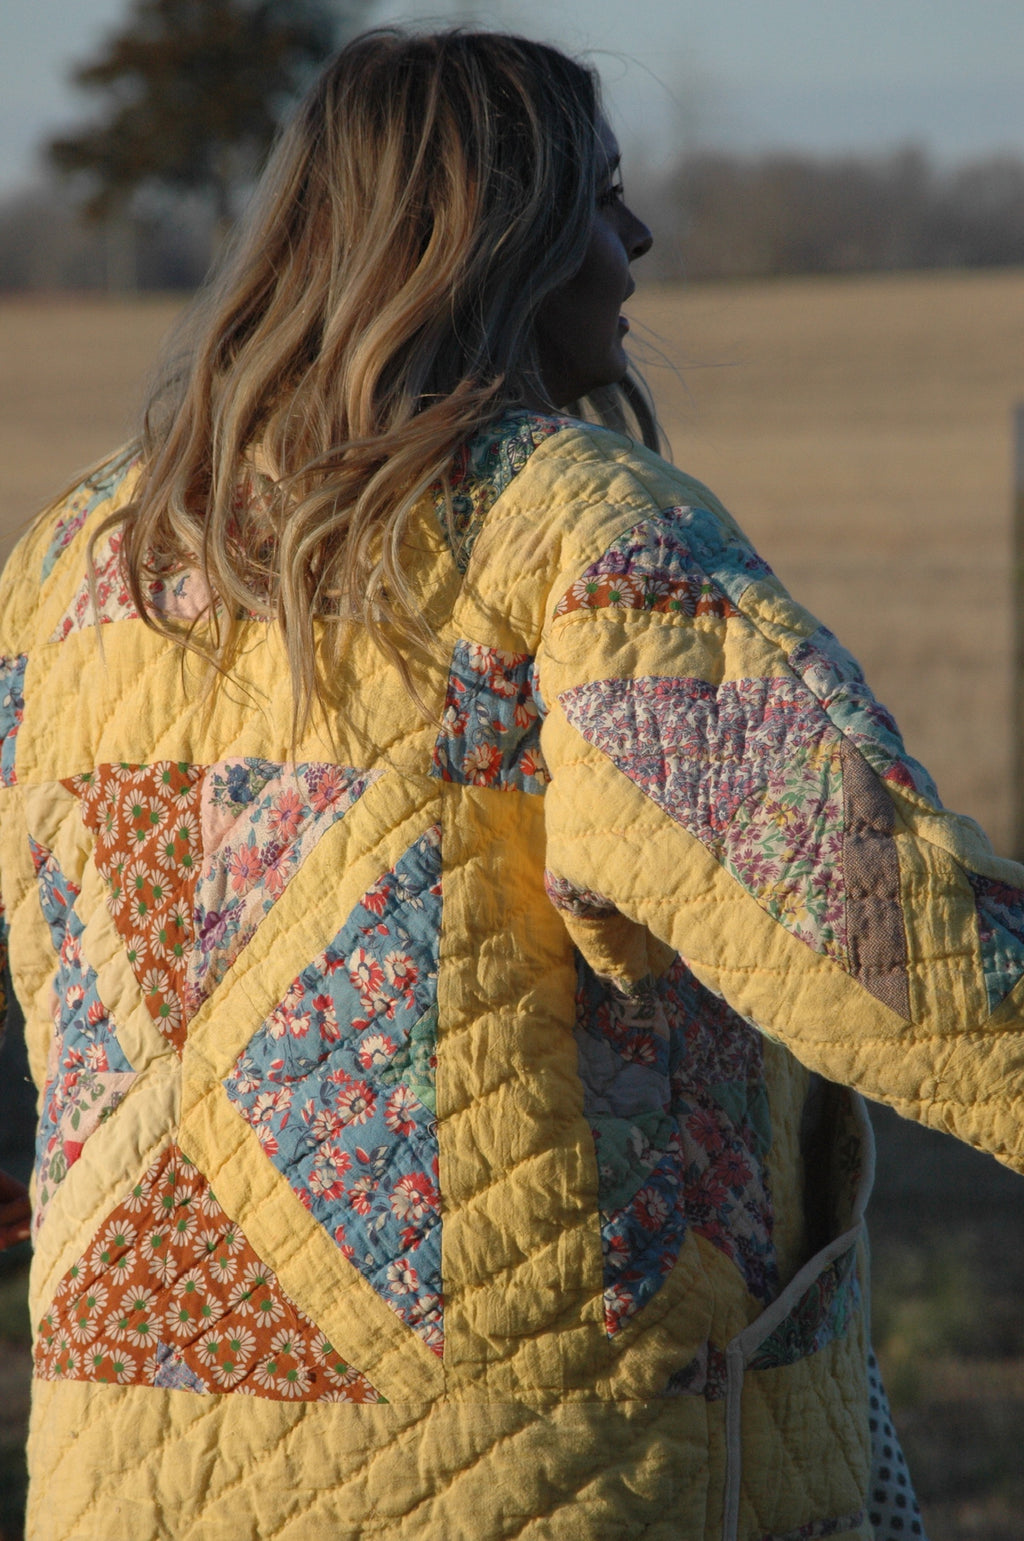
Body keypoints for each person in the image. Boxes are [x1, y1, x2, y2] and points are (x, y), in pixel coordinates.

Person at [0, 25, 1015, 1540]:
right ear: (500, 243)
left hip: (133, 1477)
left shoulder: (84, 558)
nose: (638, 238)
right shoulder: (581, 539)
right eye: (602, 197)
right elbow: (878, 918)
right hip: (559, 1474)